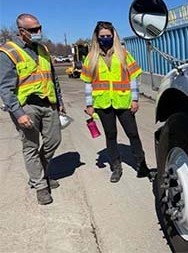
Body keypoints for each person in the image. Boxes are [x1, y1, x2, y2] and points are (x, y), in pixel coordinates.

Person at [0, 13, 65, 205]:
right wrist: (18, 113)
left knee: (54, 140)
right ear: (22, 32)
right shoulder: (8, 52)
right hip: (26, 107)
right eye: (34, 30)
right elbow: (5, 88)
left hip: (48, 103)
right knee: (30, 147)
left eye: (40, 27)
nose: (39, 32)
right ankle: (40, 185)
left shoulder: (42, 48)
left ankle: (39, 173)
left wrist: (59, 100)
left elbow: (53, 77)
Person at [80, 21, 150, 182]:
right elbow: (88, 83)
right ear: (97, 38)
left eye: (108, 36)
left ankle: (141, 165)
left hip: (123, 101)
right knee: (111, 135)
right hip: (103, 104)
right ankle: (116, 167)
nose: (105, 38)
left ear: (114, 36)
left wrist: (134, 99)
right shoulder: (91, 57)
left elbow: (133, 78)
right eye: (102, 36)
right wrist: (89, 104)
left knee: (133, 133)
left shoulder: (123, 54)